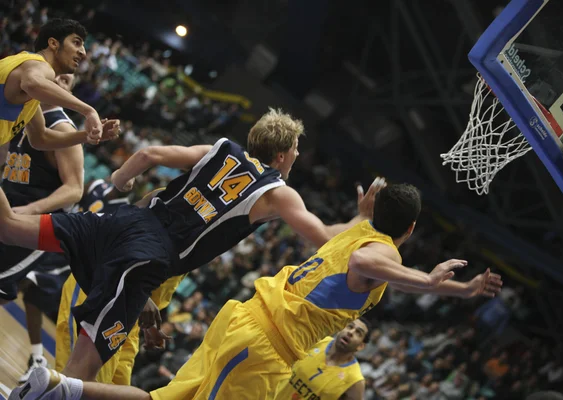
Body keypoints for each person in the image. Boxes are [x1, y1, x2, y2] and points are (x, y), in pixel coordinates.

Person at [1, 108, 383, 388]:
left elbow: (148, 155)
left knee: (10, 226)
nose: (298, 156)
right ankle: (44, 390)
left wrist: (116, 184)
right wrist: (359, 222)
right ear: (282, 156)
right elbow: (322, 236)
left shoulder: (221, 149)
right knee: (81, 375)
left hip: (120, 222)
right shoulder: (277, 192)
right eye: (297, 149)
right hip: (148, 255)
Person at [15, 183, 503, 400]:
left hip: (244, 323)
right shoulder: (381, 253)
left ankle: (58, 388)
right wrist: (439, 283)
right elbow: (362, 262)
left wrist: (359, 216)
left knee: (164, 398)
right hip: (266, 347)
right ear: (411, 229)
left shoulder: (355, 231)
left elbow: (349, 247)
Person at [54, 182, 184, 386]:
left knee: (113, 388)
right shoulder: (168, 198)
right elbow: (116, 236)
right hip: (101, 291)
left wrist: (149, 325)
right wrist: (141, 293)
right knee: (78, 382)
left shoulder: (210, 231)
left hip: (130, 315)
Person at [0, 73, 84, 382]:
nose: (60, 80)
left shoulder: (62, 127)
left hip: (30, 223)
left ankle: (38, 359)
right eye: (55, 75)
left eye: (67, 79)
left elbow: (75, 189)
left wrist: (29, 211)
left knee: (13, 291)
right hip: (7, 205)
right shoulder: (22, 113)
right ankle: (36, 358)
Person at [0, 18, 119, 162]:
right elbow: (31, 82)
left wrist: (87, 135)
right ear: (53, 43)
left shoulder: (27, 85)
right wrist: (88, 111)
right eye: (76, 42)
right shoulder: (37, 64)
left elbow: (41, 138)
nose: (83, 52)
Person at [274, 318, 371, 400]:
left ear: (361, 346)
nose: (351, 332)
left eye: (358, 333)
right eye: (350, 326)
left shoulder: (355, 380)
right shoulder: (316, 339)